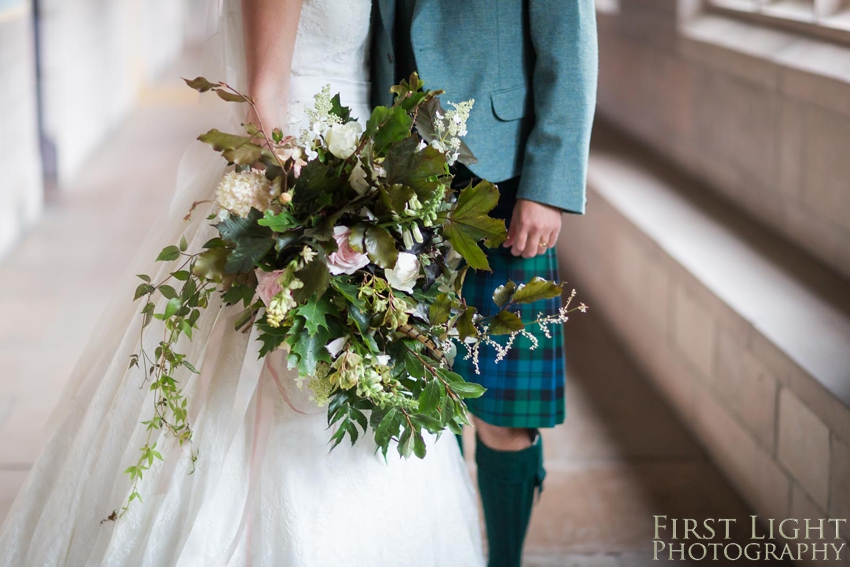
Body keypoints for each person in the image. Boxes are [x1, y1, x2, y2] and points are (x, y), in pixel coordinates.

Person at [0, 1, 486, 565]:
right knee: (292, 383)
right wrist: (304, 227)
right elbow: (264, 101)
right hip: (303, 184)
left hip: (358, 172)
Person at [371, 1, 599, 566]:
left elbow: (569, 44)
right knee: (423, 394)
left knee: (505, 415)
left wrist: (548, 186)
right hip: (398, 179)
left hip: (504, 176)